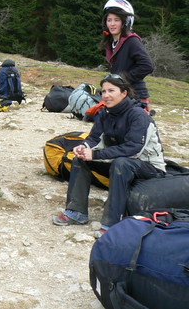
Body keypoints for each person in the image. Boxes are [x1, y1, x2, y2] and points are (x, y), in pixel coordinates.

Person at [52, 74, 165, 237]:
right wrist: (84, 147)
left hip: (149, 167)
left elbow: (133, 149)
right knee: (80, 160)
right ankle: (76, 212)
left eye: (111, 90)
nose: (106, 95)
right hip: (121, 162)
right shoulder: (105, 113)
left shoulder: (138, 115)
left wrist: (96, 154)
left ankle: (112, 222)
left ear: (124, 93)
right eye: (104, 91)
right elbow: (94, 137)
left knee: (121, 163)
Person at [100, 0, 154, 113]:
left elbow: (147, 65)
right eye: (109, 20)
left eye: (117, 20)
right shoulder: (112, 43)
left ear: (125, 22)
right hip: (121, 96)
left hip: (136, 96)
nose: (112, 24)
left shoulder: (132, 41)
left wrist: (123, 78)